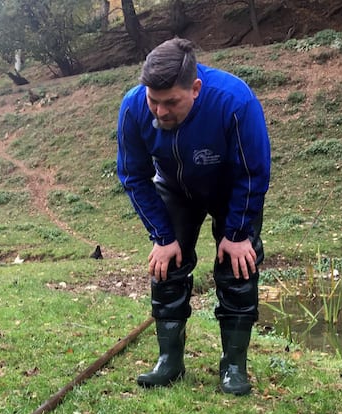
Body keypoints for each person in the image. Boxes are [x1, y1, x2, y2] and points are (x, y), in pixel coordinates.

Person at [116, 37, 271, 395]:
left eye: (171, 102)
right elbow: (133, 176)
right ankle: (169, 362)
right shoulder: (133, 107)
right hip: (174, 188)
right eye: (153, 101)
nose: (160, 112)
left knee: (238, 267)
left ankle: (234, 365)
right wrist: (163, 237)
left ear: (196, 88)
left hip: (230, 188)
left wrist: (237, 233)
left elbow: (254, 172)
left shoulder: (235, 101)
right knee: (165, 266)